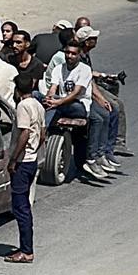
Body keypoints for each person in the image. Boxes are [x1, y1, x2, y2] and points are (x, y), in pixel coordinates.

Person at [43, 41, 109, 180]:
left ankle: (93, 158)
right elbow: (53, 87)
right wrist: (49, 98)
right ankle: (42, 137)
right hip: (62, 103)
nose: (69, 56)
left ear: (79, 55)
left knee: (98, 118)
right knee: (38, 97)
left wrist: (57, 102)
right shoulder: (58, 69)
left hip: (79, 105)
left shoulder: (84, 70)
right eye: (67, 53)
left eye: (73, 53)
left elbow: (76, 92)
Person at [75, 16, 131, 157]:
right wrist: (100, 98)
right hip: (86, 88)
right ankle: (113, 145)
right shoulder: (78, 55)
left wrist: (105, 75)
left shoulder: (84, 54)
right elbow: (84, 77)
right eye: (93, 38)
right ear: (86, 42)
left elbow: (88, 72)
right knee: (115, 106)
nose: (96, 40)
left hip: (90, 84)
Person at [5, 74, 45, 264]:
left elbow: (25, 133)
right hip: (32, 161)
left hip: (22, 163)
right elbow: (42, 135)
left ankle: (26, 251)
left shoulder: (23, 106)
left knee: (21, 208)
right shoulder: (38, 105)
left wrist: (14, 159)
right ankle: (25, 247)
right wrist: (33, 151)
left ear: (17, 90)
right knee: (24, 206)